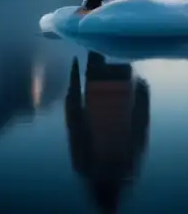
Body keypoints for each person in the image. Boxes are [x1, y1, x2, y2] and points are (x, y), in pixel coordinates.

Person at [64, 53, 151, 213]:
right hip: (98, 78)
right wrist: (73, 80)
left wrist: (142, 93)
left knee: (111, 41)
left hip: (119, 79)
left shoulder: (127, 169)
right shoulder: (85, 168)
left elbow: (139, 128)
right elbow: (74, 121)